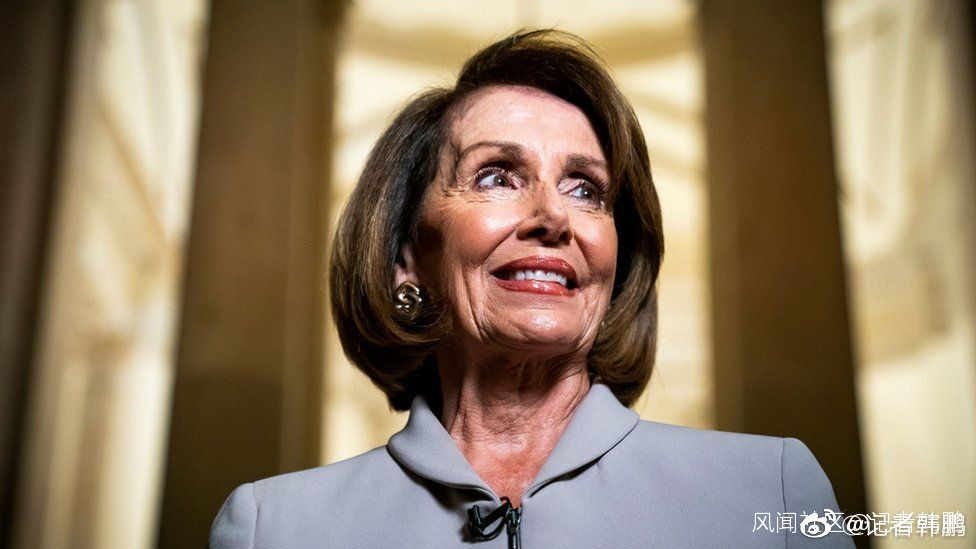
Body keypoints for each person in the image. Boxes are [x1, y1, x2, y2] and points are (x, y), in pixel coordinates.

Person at [209, 30, 854, 548]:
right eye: (497, 176)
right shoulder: (274, 528)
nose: (553, 216)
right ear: (407, 258)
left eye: (586, 189)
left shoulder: (772, 492)